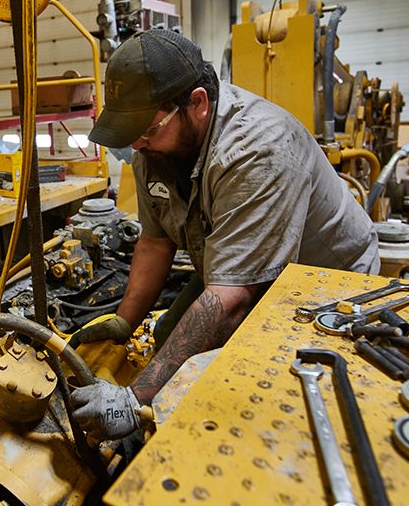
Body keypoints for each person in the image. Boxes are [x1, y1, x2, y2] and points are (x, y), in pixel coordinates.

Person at [68, 29, 379, 441]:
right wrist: (124, 323)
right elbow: (156, 241)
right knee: (166, 338)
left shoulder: (258, 148)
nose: (137, 146)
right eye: (130, 134)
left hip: (326, 283)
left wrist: (135, 398)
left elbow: (231, 299)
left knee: (260, 394)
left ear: (196, 103)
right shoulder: (155, 146)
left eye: (145, 131)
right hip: (235, 265)